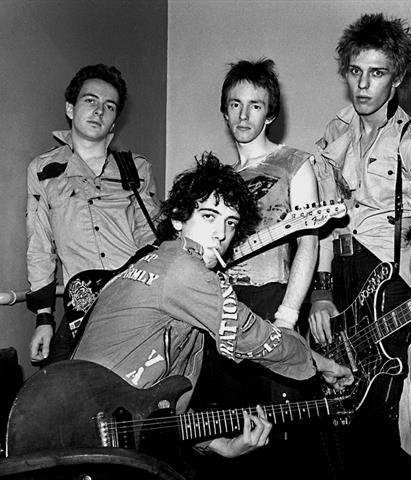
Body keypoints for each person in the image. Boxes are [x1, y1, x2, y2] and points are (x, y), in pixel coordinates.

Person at [72, 153, 353, 476]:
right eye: (208, 216)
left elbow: (155, 411)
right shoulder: (183, 271)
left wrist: (221, 445)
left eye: (230, 222)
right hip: (88, 444)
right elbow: (259, 340)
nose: (220, 234)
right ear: (178, 218)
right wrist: (328, 366)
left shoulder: (156, 264)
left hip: (100, 432)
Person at [309, 13, 411, 480]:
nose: (362, 84)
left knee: (379, 415)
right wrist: (319, 291)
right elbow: (318, 219)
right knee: (331, 410)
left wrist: (406, 254)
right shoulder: (337, 132)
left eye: (376, 73)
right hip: (338, 276)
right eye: (355, 71)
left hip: (387, 285)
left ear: (396, 80)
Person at [191, 58, 320, 479]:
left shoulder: (294, 164)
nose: (244, 115)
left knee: (281, 437)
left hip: (271, 301)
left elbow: (308, 242)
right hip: (220, 310)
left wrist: (287, 316)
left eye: (256, 105)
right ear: (225, 111)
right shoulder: (218, 178)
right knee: (228, 430)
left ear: (272, 113)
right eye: (235, 104)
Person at [27, 64, 159, 364]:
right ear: (70, 108)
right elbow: (40, 246)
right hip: (82, 309)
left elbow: (151, 240)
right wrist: (44, 319)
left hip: (136, 305)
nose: (99, 111)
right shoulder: (43, 170)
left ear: (114, 121)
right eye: (90, 100)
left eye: (109, 106)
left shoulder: (136, 168)